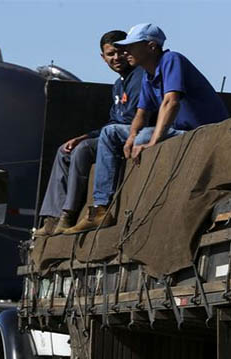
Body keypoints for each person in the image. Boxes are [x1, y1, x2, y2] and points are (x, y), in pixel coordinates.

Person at [68, 23, 229, 233]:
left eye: (131, 46)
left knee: (144, 138)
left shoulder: (172, 60)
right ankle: (101, 208)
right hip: (176, 131)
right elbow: (141, 113)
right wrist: (130, 137)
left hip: (201, 132)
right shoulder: (147, 75)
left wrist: (152, 141)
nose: (125, 52)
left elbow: (171, 102)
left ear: (151, 47)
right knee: (111, 132)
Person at [35, 30, 145, 236]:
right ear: (103, 58)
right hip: (112, 134)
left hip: (132, 134)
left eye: (120, 52)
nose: (116, 58)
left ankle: (69, 213)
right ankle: (52, 216)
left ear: (129, 51)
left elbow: (135, 119)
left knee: (83, 151)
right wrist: (84, 136)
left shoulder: (140, 77)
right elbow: (114, 121)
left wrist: (88, 141)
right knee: (65, 150)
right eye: (110, 54)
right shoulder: (118, 85)